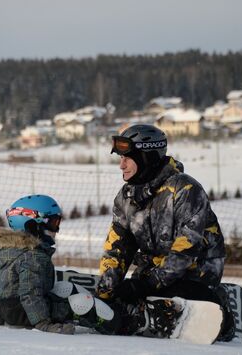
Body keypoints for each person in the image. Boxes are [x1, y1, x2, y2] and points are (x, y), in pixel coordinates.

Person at [95, 124, 234, 341]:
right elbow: (117, 247)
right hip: (153, 272)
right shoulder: (126, 197)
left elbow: (185, 251)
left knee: (166, 295)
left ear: (146, 156)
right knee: (125, 299)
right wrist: (106, 291)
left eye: (127, 158)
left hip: (196, 271)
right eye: (120, 158)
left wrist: (146, 284)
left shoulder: (185, 190)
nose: (121, 165)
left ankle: (221, 310)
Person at [0, 194, 117, 334]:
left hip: (10, 310)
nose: (56, 230)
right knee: (83, 302)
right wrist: (43, 324)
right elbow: (30, 293)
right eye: (53, 223)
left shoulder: (10, 251)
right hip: (25, 314)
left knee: (63, 287)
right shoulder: (33, 257)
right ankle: (119, 323)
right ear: (33, 225)